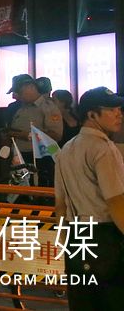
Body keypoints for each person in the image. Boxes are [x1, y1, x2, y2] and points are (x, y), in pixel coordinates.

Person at [53, 86, 124, 309]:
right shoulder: (104, 149)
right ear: (92, 115)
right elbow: (115, 202)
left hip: (77, 237)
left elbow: (60, 206)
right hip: (106, 238)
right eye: (111, 110)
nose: (119, 114)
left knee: (83, 303)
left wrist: (67, 244)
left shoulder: (65, 149)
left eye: (119, 109)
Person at [6, 74, 63, 186]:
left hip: (40, 159)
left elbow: (55, 135)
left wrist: (26, 135)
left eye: (19, 91)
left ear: (30, 87)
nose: (16, 95)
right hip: (20, 158)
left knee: (39, 190)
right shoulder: (21, 108)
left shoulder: (48, 107)